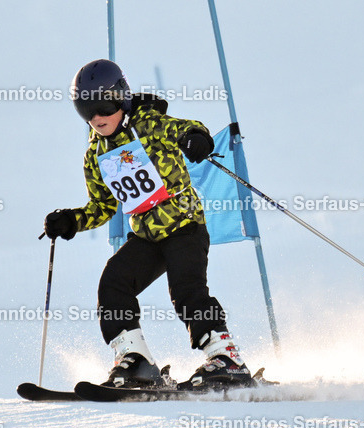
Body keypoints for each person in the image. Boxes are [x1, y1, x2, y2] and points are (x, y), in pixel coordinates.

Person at [44, 59, 253, 389]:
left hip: (184, 225)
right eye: (86, 110)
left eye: (104, 105)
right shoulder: (96, 154)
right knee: (113, 283)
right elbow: (102, 207)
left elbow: (185, 127)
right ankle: (136, 363)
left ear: (122, 97)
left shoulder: (149, 124)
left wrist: (196, 138)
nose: (97, 118)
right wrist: (70, 221)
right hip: (147, 236)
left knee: (187, 290)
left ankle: (226, 358)